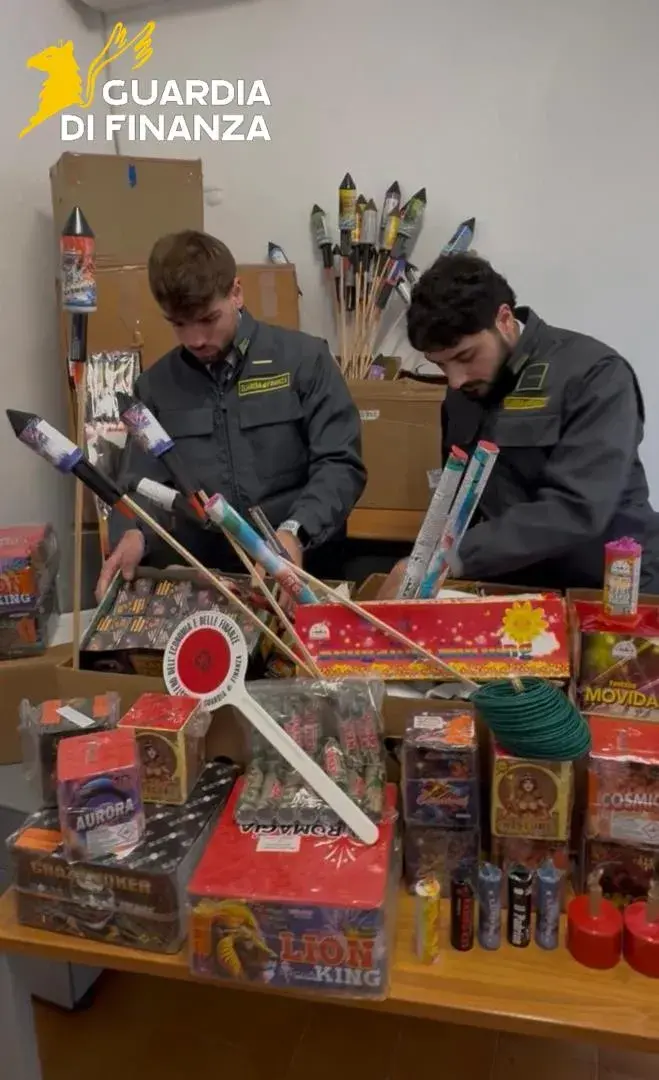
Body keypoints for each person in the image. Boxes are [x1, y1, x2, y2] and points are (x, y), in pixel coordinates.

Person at [96, 230, 366, 599]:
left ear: (236, 293)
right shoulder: (155, 387)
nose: (195, 339)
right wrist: (133, 532)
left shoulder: (305, 361)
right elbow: (141, 483)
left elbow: (340, 464)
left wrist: (295, 531)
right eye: (179, 324)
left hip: (305, 565)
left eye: (208, 319)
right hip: (211, 579)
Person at [379, 252, 659, 597]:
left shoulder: (595, 375)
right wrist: (422, 562)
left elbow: (577, 508)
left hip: (609, 588)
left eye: (466, 356)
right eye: (440, 364)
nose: (454, 380)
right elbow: (459, 500)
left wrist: (448, 558)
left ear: (504, 319)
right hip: (515, 584)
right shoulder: (463, 391)